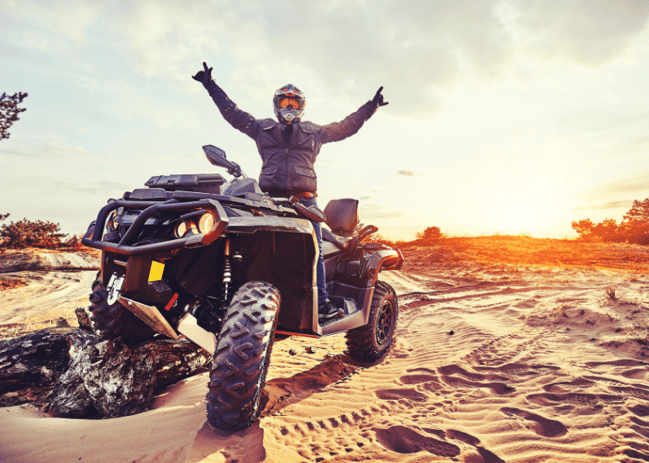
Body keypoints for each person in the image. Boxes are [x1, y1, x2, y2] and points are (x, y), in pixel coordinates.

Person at [193, 62, 388, 321]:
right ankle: (247, 301)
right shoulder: (261, 128)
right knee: (254, 246)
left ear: (301, 107)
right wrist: (210, 85)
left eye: (294, 103)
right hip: (267, 201)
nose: (288, 107)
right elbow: (233, 114)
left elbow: (346, 126)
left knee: (314, 250)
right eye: (284, 102)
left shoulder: (315, 132)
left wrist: (370, 108)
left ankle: (322, 304)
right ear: (276, 105)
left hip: (305, 201)